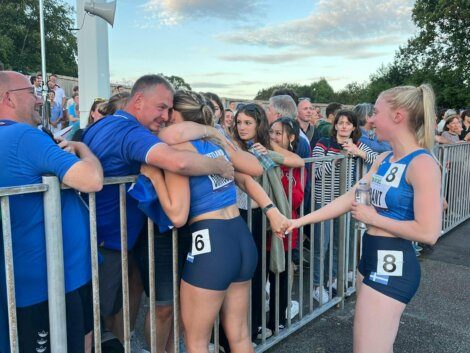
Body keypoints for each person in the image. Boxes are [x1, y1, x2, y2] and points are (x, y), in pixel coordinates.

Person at [81, 74, 235, 350]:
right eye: (161, 107)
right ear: (138, 100)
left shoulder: (104, 123)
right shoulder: (131, 132)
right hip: (110, 240)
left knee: (113, 310)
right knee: (97, 321)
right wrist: (219, 166)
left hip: (112, 236)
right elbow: (178, 162)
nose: (164, 116)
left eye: (169, 110)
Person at [286, 84, 442, 353]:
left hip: (392, 264)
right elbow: (350, 198)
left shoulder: (422, 163)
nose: (370, 120)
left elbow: (429, 233)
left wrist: (373, 218)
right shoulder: (384, 158)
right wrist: (298, 222)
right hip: (370, 256)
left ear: (398, 116)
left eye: (376, 112)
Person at [139, 90, 288, 353]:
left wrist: (155, 178)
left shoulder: (176, 147)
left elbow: (177, 215)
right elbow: (251, 172)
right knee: (240, 337)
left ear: (177, 114)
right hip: (239, 236)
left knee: (197, 342)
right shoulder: (216, 144)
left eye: (168, 111)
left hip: (211, 242)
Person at [0, 70, 103, 353]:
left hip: (52, 277)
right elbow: (92, 179)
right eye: (31, 93)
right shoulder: (22, 135)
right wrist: (83, 148)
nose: (39, 99)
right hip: (49, 284)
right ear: (9, 98)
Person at [233, 103, 304, 341]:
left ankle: (252, 331)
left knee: (254, 276)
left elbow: (299, 162)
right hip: (236, 214)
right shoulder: (232, 145)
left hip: (259, 216)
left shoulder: (263, 145)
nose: (242, 127)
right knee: (240, 278)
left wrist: (270, 151)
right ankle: (237, 333)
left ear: (258, 124)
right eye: (239, 122)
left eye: (248, 123)